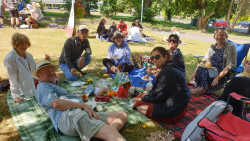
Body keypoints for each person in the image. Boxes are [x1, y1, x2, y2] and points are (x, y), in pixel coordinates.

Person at [34, 60, 128, 141]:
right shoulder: (43, 87)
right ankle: (107, 133)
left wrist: (53, 76)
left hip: (79, 113)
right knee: (109, 132)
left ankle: (100, 136)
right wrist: (83, 106)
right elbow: (56, 103)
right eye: (47, 71)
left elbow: (55, 79)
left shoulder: (51, 84)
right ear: (39, 76)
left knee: (121, 115)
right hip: (68, 116)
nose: (52, 73)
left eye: (52, 70)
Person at [133, 47, 190, 123]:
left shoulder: (167, 71)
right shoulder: (172, 66)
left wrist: (145, 97)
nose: (154, 60)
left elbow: (158, 96)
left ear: (165, 57)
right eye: (152, 58)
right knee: (145, 99)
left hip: (175, 112)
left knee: (138, 105)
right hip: (181, 107)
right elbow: (163, 90)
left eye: (157, 57)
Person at [4, 32, 50, 104]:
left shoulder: (28, 55)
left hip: (34, 82)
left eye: (26, 43)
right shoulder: (10, 59)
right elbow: (13, 78)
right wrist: (15, 95)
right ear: (15, 44)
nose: (24, 45)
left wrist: (44, 61)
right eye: (21, 43)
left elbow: (34, 69)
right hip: (24, 87)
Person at [190, 29, 237, 94]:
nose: (219, 37)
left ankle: (202, 89)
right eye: (217, 35)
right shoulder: (212, 46)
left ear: (226, 36)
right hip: (209, 70)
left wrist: (217, 78)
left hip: (219, 73)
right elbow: (204, 60)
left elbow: (230, 65)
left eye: (222, 35)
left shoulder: (231, 47)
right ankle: (201, 86)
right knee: (201, 68)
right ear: (214, 36)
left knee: (205, 71)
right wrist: (194, 72)